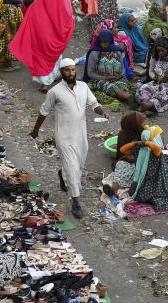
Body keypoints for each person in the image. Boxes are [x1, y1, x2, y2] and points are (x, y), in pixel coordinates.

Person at [30, 58, 109, 218]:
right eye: (67, 70)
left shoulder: (84, 87)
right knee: (73, 169)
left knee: (78, 165)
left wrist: (102, 112)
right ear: (61, 72)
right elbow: (43, 111)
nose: (71, 73)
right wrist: (35, 130)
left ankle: (62, 173)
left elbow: (94, 104)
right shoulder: (55, 91)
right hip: (63, 136)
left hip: (80, 134)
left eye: (73, 70)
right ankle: (76, 202)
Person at [9, 0, 75, 92]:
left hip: (43, 35)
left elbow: (32, 11)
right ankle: (51, 78)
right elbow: (69, 17)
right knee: (55, 57)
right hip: (58, 36)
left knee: (42, 58)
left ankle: (45, 82)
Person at [119, 124, 168, 211]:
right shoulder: (156, 153)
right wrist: (147, 143)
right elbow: (156, 148)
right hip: (157, 188)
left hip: (142, 189)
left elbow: (122, 150)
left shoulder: (139, 149)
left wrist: (137, 143)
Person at [83, 30, 136, 108]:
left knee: (121, 85)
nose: (104, 44)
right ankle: (129, 98)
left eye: (106, 42)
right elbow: (90, 73)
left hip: (118, 78)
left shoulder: (117, 51)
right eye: (102, 42)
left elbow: (124, 67)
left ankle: (133, 100)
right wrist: (105, 78)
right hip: (99, 79)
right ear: (99, 41)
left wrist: (120, 75)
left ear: (110, 41)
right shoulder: (94, 52)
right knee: (111, 87)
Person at [103, 112, 147, 198]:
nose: (144, 124)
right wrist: (134, 157)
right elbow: (122, 154)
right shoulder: (123, 134)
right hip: (128, 159)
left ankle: (133, 187)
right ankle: (113, 188)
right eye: (142, 122)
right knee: (121, 166)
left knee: (141, 170)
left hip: (141, 160)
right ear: (134, 125)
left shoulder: (144, 133)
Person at [139, 36, 168, 113]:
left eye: (162, 50)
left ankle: (148, 105)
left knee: (164, 92)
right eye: (158, 51)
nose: (160, 53)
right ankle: (146, 103)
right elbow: (151, 71)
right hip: (157, 82)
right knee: (145, 87)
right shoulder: (155, 56)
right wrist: (154, 77)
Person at [0, 0, 23, 71]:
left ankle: (1, 65)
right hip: (5, 29)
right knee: (7, 45)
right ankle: (6, 66)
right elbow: (17, 21)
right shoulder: (14, 7)